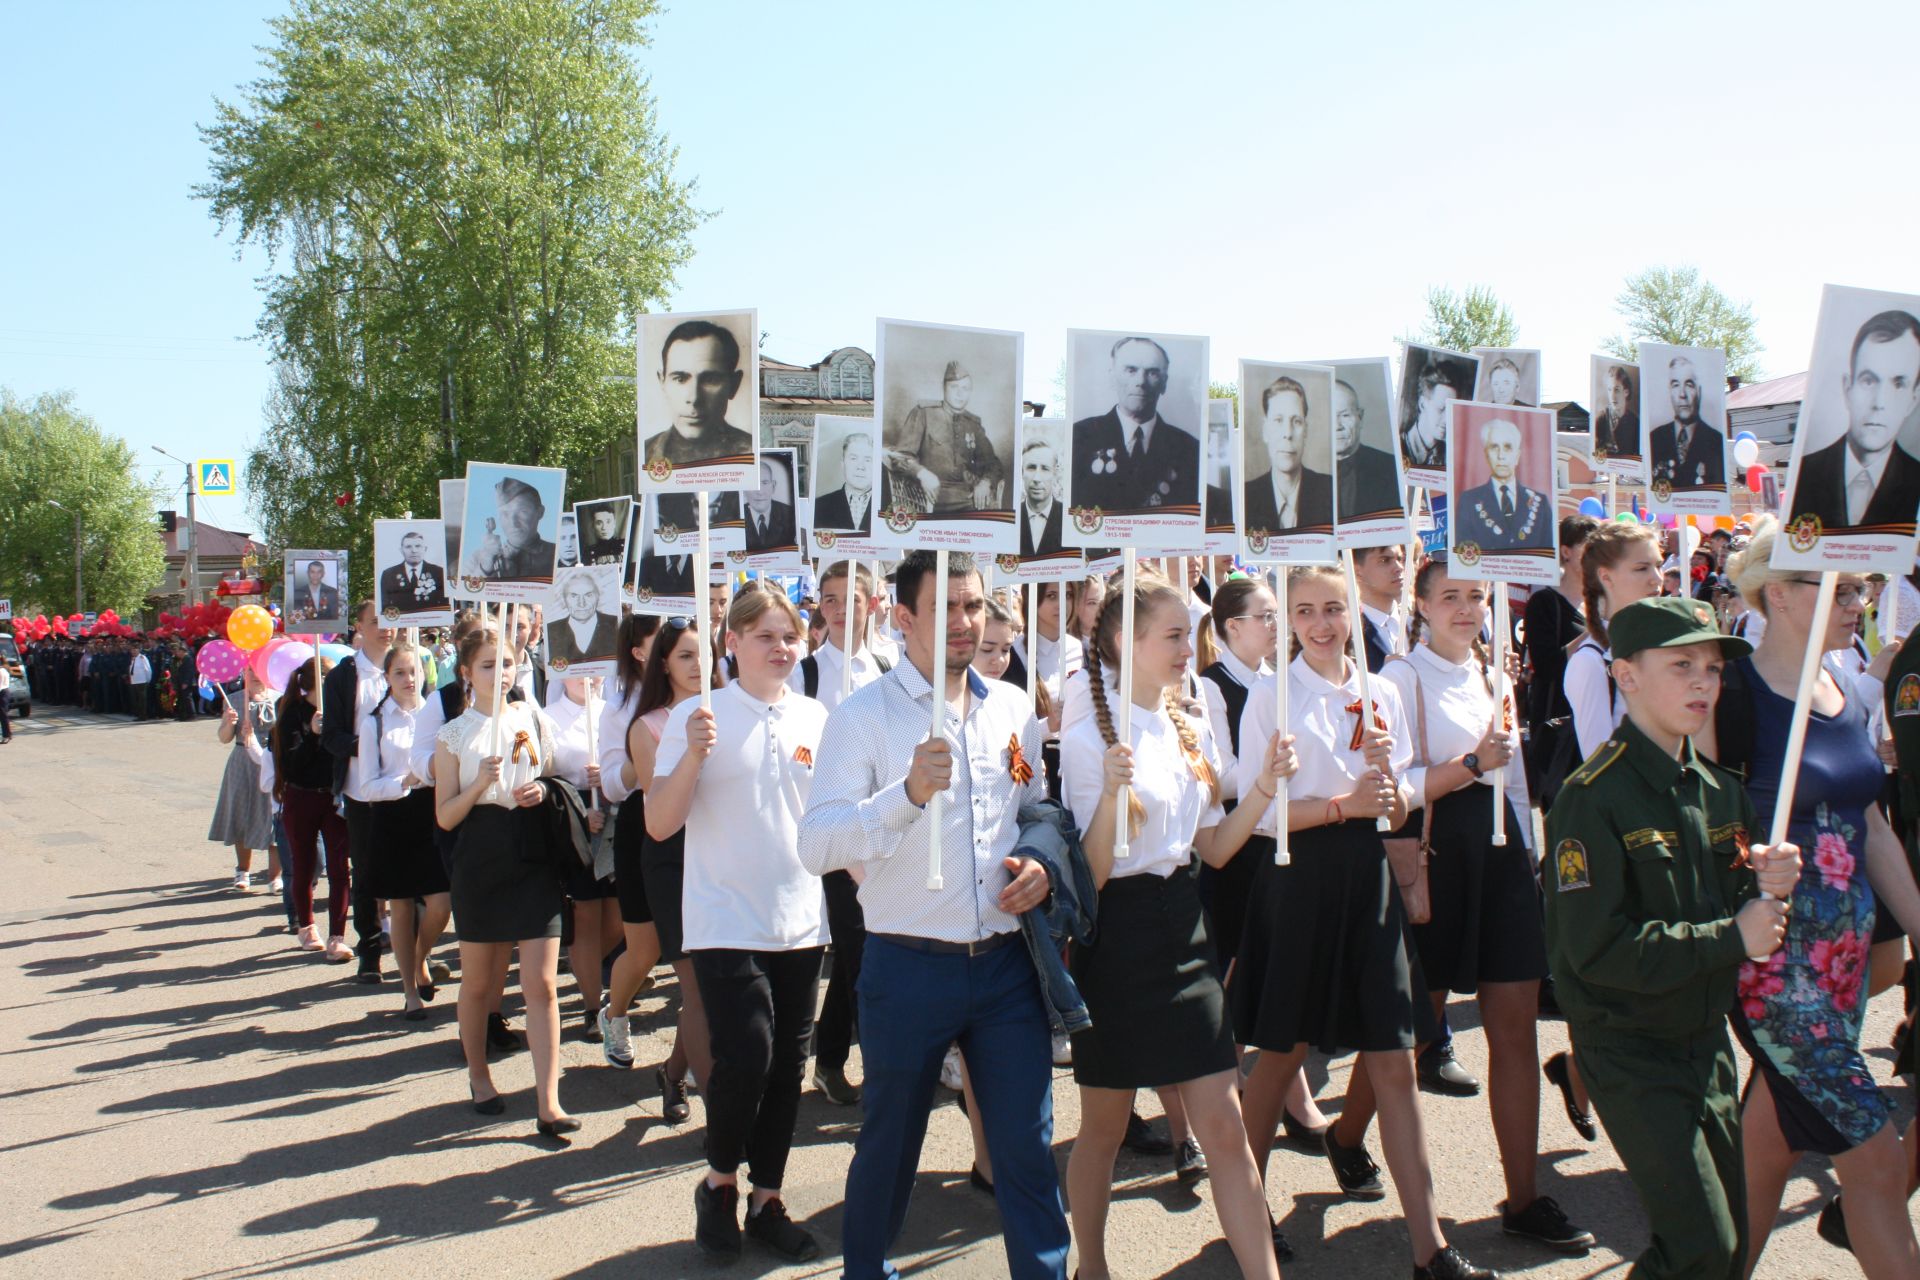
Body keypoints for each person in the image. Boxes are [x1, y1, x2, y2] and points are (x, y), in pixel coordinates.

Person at [797, 550, 1070, 1280]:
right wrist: (906, 794)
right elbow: (816, 842)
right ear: (903, 616)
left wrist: (1040, 862)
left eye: (974, 605)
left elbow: (1037, 806)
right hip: (906, 967)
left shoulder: (1012, 705)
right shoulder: (863, 717)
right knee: (889, 1148)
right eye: (946, 608)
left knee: (1025, 1149)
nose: (965, 622)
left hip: (1007, 967)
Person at [1230, 563, 1495, 1280]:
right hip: (1298, 880)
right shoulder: (1270, 694)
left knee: (1394, 1060)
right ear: (1287, 618)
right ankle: (1246, 1217)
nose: (1322, 624)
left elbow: (1404, 793)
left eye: (1334, 609)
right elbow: (1257, 817)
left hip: (1368, 878)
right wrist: (1347, 801)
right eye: (1307, 610)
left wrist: (1392, 790)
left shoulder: (1379, 690)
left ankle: (1430, 1248)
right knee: (1281, 1052)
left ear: (1353, 613)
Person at [1544, 596, 1801, 1280]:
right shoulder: (1590, 797)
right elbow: (1594, 951)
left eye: (1713, 669)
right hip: (1630, 1047)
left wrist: (1769, 888)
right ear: (1626, 676)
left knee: (1723, 1245)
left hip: (1705, 1043)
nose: (1702, 683)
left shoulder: (1718, 791)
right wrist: (1731, 935)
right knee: (1703, 1248)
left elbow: (1744, 913)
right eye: (1682, 664)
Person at [1060, 570, 1292, 1280]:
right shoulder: (1087, 736)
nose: (1186, 650)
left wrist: (1262, 786)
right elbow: (1092, 876)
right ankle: (1091, 1265)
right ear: (1127, 642)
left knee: (1224, 1125)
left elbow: (1217, 848)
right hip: (1118, 938)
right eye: (1170, 637)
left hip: (1186, 927)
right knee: (1103, 1128)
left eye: (1186, 636)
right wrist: (1109, 792)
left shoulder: (1188, 723)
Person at [1702, 532, 1920, 1276]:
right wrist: (1745, 858)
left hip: (1844, 970)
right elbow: (1691, 820)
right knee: (1878, 1161)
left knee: (1767, 1152)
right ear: (1782, 595)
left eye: (1860, 588)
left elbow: (1869, 823)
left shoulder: (1845, 686)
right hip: (1776, 971)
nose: (1859, 603)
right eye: (1844, 588)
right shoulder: (1731, 696)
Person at [1373, 563, 1596, 1254]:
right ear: (1422, 604)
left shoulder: (1496, 674)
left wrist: (1530, 854)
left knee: (1514, 1028)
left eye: (1475, 596)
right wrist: (1469, 764)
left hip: (1502, 862)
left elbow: (1519, 775)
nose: (1466, 609)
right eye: (1450, 597)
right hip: (1438, 864)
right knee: (1408, 1029)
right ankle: (1350, 1135)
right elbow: (1395, 791)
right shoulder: (1399, 680)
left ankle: (1523, 1197)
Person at [647, 583, 830, 1262]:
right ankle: (719, 1183)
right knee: (746, 1056)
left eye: (791, 636)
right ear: (733, 643)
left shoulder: (817, 718)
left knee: (788, 1067)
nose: (781, 648)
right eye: (765, 636)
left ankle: (767, 1198)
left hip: (802, 920)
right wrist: (694, 753)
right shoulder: (699, 717)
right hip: (724, 917)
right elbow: (660, 824)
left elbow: (829, 819)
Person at [432, 622, 576, 1135]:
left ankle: (549, 1099)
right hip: (481, 854)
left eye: (508, 663)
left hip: (532, 850)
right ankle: (479, 1076)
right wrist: (478, 785)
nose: (501, 673)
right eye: (489, 665)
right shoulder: (452, 735)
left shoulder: (531, 715)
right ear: (467, 673)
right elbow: (445, 816)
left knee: (541, 983)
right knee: (479, 982)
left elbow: (554, 772)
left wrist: (540, 789)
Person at [789, 562, 891, 1106]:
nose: (839, 608)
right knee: (864, 952)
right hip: (834, 832)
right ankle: (882, 1073)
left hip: (889, 825)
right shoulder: (803, 674)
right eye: (829, 599)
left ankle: (829, 1060)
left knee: (866, 951)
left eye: (851, 598)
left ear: (873, 603)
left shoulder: (888, 663)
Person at [602, 615, 709, 1122]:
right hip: (672, 856)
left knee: (710, 992)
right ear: (662, 663)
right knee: (699, 990)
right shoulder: (646, 727)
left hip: (726, 854)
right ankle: (725, 1126)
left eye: (703, 653)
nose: (697, 665)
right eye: (685, 655)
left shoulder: (733, 710)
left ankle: (671, 1073)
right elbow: (658, 806)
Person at [360, 641, 451, 1020]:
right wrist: (404, 781)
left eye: (414, 671)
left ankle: (419, 958)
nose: (409, 679)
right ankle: (410, 990)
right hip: (394, 817)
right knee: (400, 908)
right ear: (387, 678)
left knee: (441, 903)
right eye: (399, 672)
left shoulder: (437, 715)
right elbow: (366, 786)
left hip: (431, 813)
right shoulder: (375, 722)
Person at [1788, 309, 1920, 534]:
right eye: (1869, 381)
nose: (1879, 403)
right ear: (1848, 388)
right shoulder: (1804, 476)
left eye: (1898, 384)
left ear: (1913, 399)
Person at [321, 600, 393, 983]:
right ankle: (369, 948)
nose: (385, 628)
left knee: (410, 870)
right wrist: (368, 746)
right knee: (365, 871)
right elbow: (331, 736)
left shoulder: (408, 666)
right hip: (361, 789)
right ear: (359, 628)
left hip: (404, 787)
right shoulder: (344, 677)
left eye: (389, 621)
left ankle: (416, 956)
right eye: (375, 622)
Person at [547, 675, 617, 1039]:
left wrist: (607, 776)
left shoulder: (613, 712)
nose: (588, 679)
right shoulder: (548, 717)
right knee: (587, 914)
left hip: (614, 817)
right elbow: (544, 779)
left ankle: (581, 965)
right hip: (575, 823)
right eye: (578, 670)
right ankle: (593, 1004)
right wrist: (578, 809)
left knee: (620, 917)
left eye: (595, 671)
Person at [272, 660, 352, 961]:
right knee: (304, 866)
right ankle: (306, 926)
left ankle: (337, 936)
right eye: (327, 679)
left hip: (332, 798)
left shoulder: (340, 713)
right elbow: (291, 766)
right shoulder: (291, 713)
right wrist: (314, 734)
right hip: (301, 797)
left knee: (339, 868)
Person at [1071, 336, 1200, 513]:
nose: (1141, 382)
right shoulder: (1079, 437)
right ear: (1112, 377)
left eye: (1152, 372)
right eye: (1131, 370)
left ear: (1164, 383)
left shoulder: (1189, 449)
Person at [1524, 516, 1596, 797]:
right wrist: (1592, 632)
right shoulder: (1544, 602)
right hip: (1559, 725)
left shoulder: (1601, 600)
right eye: (1588, 548)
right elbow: (1546, 666)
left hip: (1596, 716)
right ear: (1566, 552)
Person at [886, 360, 1005, 516]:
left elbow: (993, 464)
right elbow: (900, 457)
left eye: (965, 388)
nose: (960, 393)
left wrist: (985, 483)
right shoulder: (924, 413)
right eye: (954, 387)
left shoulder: (973, 424)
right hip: (927, 494)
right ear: (944, 388)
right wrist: (922, 474)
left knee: (991, 517)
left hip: (966, 497)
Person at [644, 318, 755, 470]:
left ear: (734, 384)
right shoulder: (646, 454)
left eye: (710, 379)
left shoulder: (751, 453)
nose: (694, 398)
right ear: (662, 382)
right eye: (680, 379)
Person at [210, 668, 279, 893]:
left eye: (260, 669)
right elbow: (224, 738)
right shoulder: (234, 699)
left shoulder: (279, 697)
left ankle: (275, 875)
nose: (256, 674)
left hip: (271, 761)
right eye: (250, 670)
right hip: (242, 761)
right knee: (240, 814)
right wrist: (229, 723)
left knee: (274, 816)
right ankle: (243, 871)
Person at [1243, 375, 1333, 535]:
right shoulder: (1244, 499)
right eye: (1278, 420)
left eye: (1296, 421)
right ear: (1265, 431)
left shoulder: (1331, 492)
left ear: (1306, 430)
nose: (1288, 433)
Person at [1455, 418, 1550, 553]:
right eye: (1494, 447)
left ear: (1517, 455)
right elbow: (1464, 553)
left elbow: (1548, 555)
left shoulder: (1541, 504)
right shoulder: (1469, 501)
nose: (1501, 456)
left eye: (1507, 447)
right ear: (1486, 455)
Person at [1647, 354, 1727, 492]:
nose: (1682, 394)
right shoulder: (1654, 439)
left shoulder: (1716, 442)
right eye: (1676, 385)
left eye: (1689, 384)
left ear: (1699, 391)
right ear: (1669, 391)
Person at [1333, 377, 1402, 522]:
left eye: (1345, 415)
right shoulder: (1300, 477)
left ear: (1360, 417)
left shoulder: (1392, 469)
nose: (1337, 426)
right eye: (1329, 417)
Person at [467, 476, 558, 582]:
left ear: (540, 512)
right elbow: (467, 593)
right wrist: (486, 568)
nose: (513, 523)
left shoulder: (557, 555)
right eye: (505, 513)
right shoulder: (478, 559)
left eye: (522, 511)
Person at [814, 430, 885, 536]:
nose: (860, 467)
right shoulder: (819, 506)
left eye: (868, 460)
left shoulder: (890, 507)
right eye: (853, 458)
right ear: (843, 464)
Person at [545, 569, 619, 666]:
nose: (581, 603)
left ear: (598, 597)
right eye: (574, 596)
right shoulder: (551, 631)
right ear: (564, 600)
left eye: (588, 595)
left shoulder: (616, 626)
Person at [1354, 544, 1410, 671]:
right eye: (1384, 560)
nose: (1399, 568)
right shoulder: (1349, 633)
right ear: (1357, 572)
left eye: (1400, 559)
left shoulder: (1422, 627)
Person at [1400, 361, 1461, 472]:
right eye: (1441, 409)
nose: (1448, 419)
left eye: (1452, 410)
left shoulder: (1449, 458)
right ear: (1422, 404)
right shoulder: (1396, 447)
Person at [379, 530, 449, 613]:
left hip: (432, 623)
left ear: (425, 549)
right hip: (401, 624)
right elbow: (386, 606)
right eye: (408, 547)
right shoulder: (389, 574)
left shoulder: (439, 573)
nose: (414, 550)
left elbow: (445, 605)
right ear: (401, 550)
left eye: (418, 546)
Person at [1019, 437, 1065, 556]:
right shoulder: (1012, 518)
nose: (1037, 478)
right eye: (1031, 468)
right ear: (1022, 473)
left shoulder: (1068, 518)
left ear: (1055, 474)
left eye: (1045, 469)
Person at [743, 458, 797, 553]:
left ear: (773, 486)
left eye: (765, 483)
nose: (759, 492)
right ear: (744, 488)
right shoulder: (734, 516)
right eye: (753, 484)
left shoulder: (790, 514)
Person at [1592, 363, 1640, 460]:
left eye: (1617, 390)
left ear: (1626, 392)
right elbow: (1597, 458)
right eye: (1610, 390)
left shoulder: (1635, 421)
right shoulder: (1600, 420)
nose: (1612, 396)